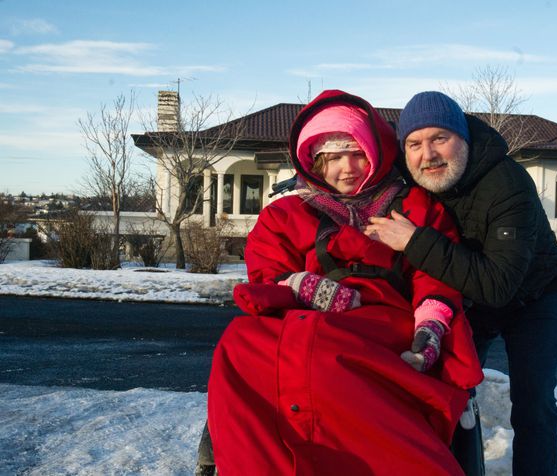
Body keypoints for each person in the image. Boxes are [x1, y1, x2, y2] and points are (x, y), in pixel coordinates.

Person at [205, 89, 483, 475]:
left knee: (323, 358)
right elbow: (266, 270)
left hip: (384, 321)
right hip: (302, 316)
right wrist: (302, 285)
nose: (347, 168)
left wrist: (431, 325)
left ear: (376, 154)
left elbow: (434, 274)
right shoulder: (286, 213)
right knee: (238, 343)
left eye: (357, 154)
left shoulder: (415, 206)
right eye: (334, 157)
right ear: (315, 162)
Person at [365, 91, 557, 476]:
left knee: (533, 401)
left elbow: (497, 286)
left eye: (440, 138)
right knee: (449, 390)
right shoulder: (408, 182)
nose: (428, 154)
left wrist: (413, 241)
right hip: (468, 294)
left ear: (464, 139)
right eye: (414, 143)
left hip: (533, 296)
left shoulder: (507, 184)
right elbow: (357, 173)